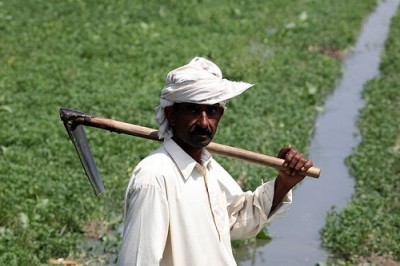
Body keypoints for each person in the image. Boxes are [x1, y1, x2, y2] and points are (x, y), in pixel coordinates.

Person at [117, 57, 313, 266]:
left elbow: (238, 220)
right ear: (171, 114)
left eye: (211, 111)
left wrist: (284, 183)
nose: (204, 122)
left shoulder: (208, 169)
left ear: (220, 114)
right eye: (193, 110)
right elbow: (138, 261)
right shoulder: (154, 178)